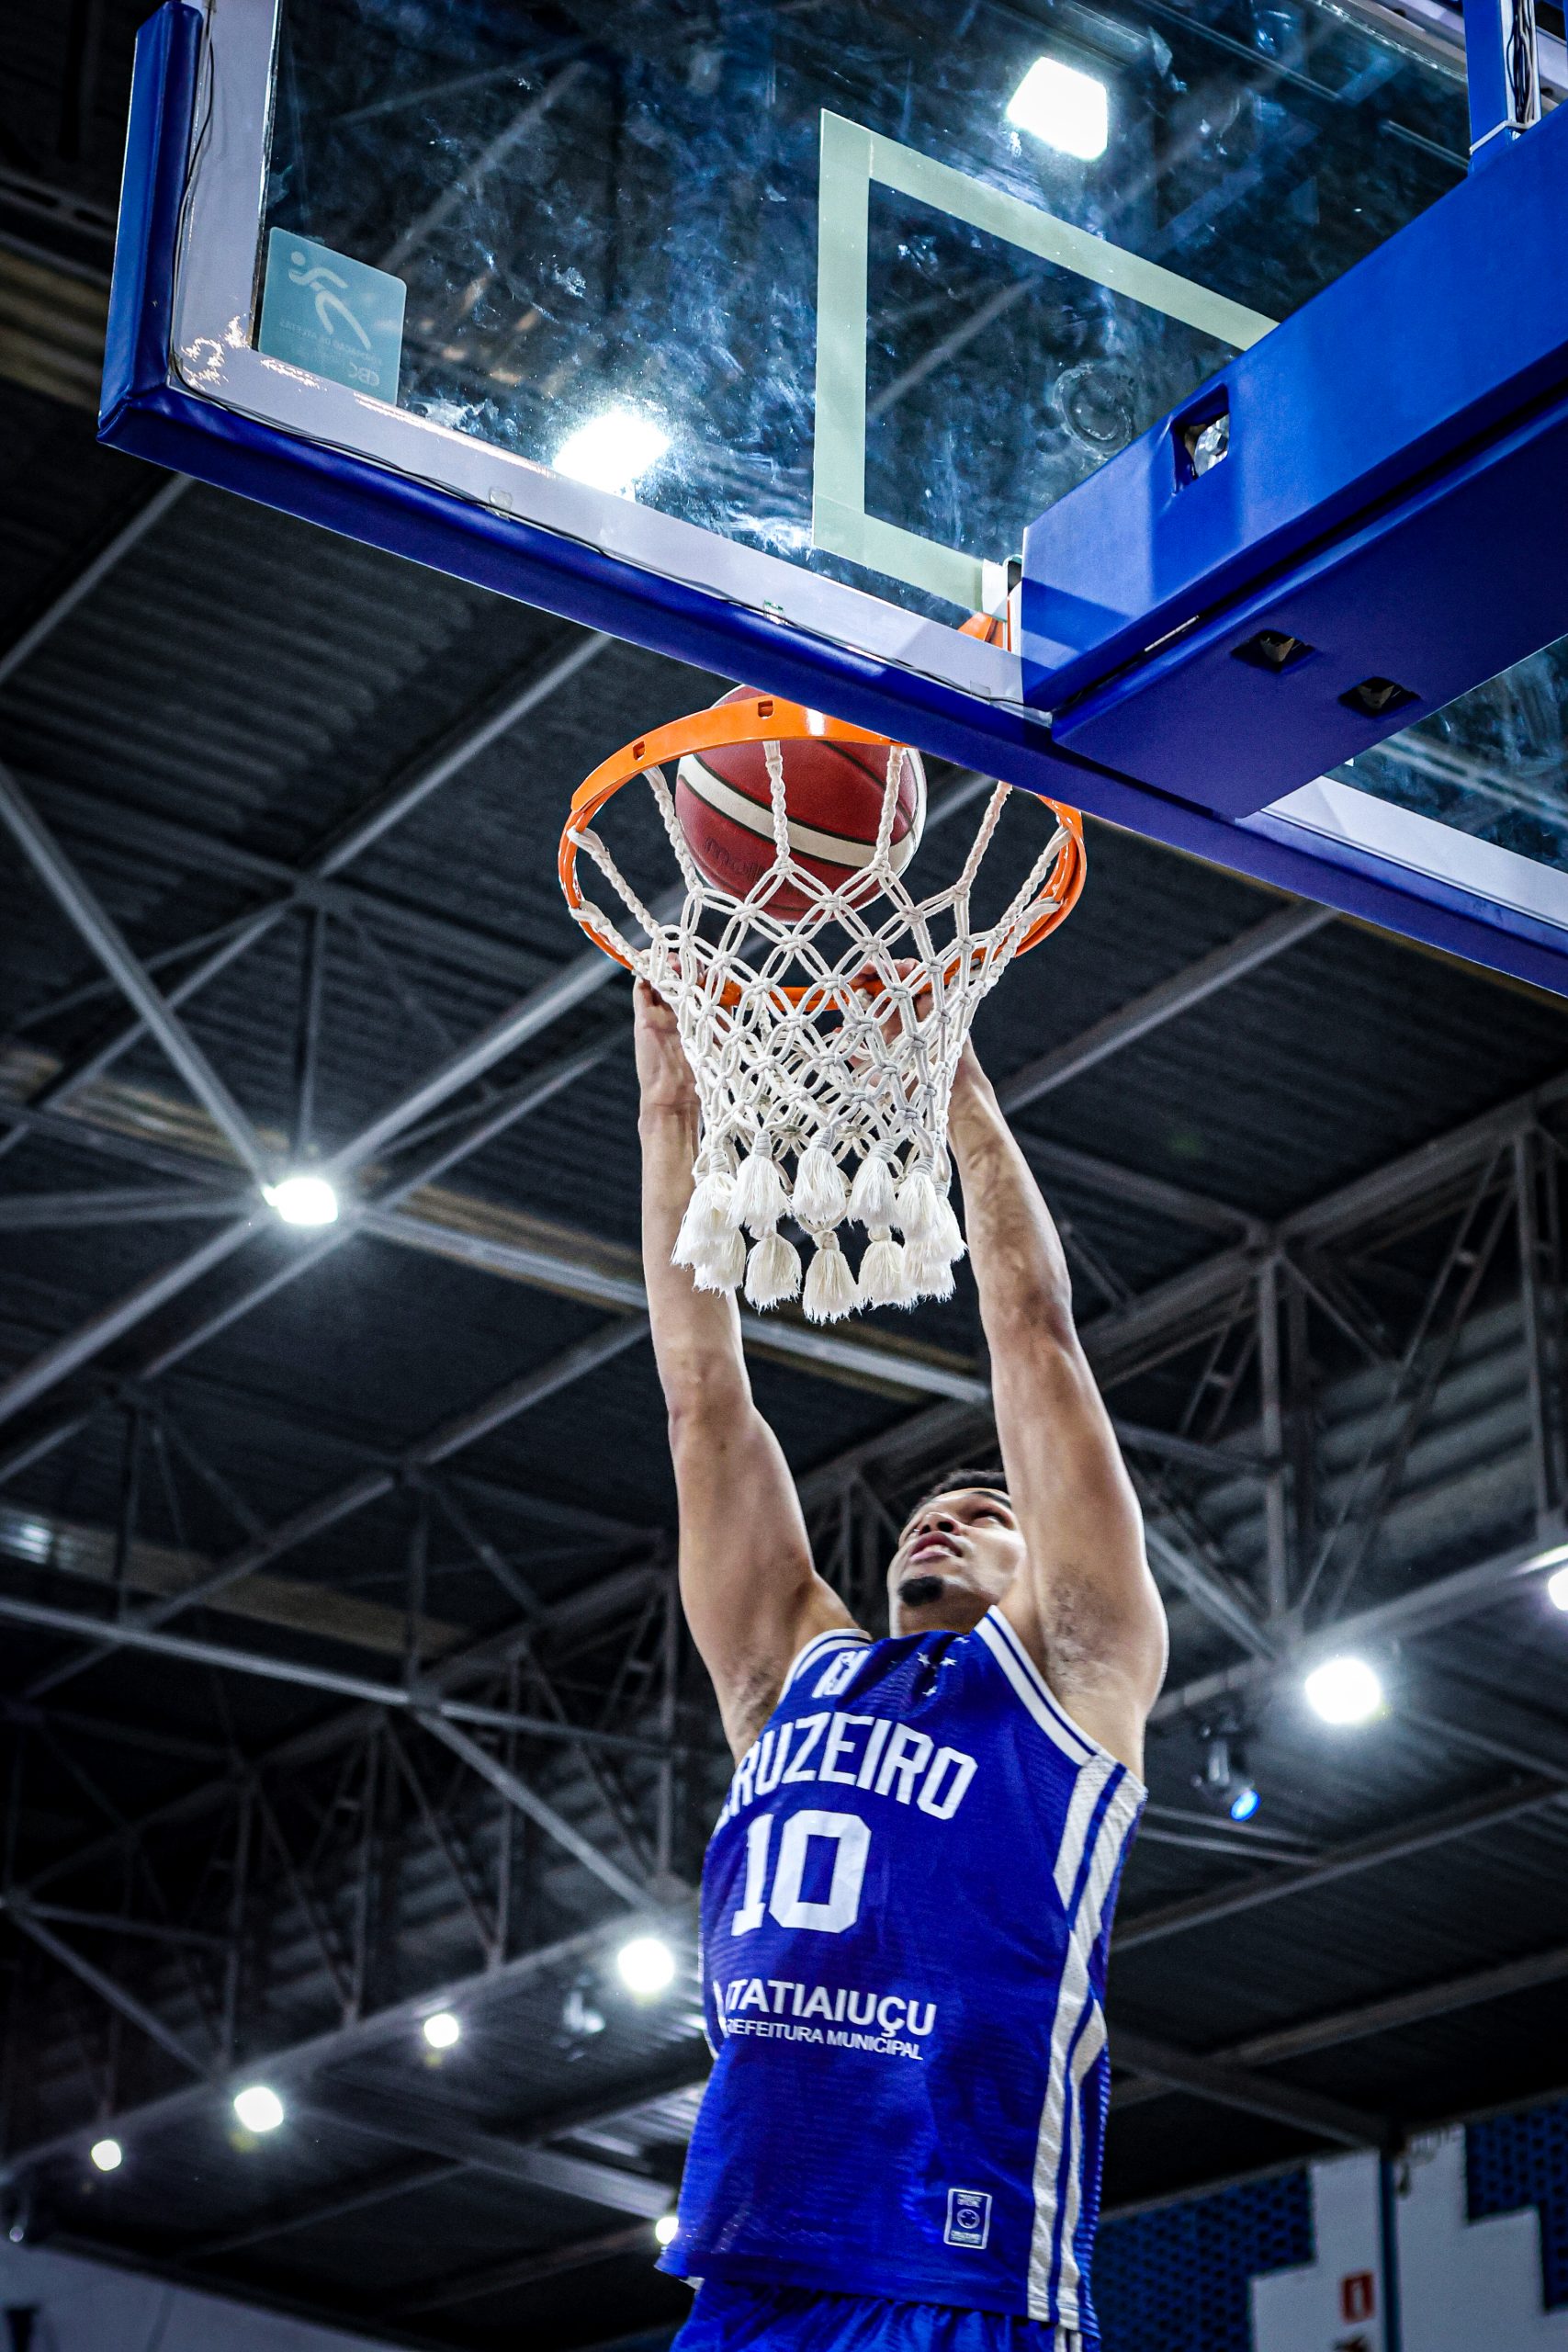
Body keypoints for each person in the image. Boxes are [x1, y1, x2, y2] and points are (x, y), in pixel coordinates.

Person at [635, 973, 1168, 2352]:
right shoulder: (789, 1677)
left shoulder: (1074, 1676)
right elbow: (702, 1398)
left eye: (991, 1512)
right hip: (749, 2267)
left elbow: (1032, 1330)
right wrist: (671, 1109)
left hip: (954, 2276)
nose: (947, 1515)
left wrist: (951, 1081)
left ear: (1043, 1559)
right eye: (933, 1508)